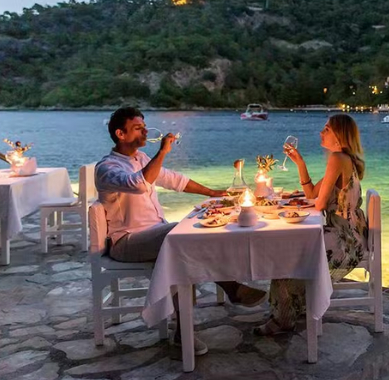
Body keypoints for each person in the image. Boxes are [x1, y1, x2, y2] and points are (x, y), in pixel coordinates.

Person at [95, 106, 266, 354]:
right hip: (126, 242)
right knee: (181, 235)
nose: (145, 132)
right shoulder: (107, 168)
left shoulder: (141, 159)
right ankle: (231, 288)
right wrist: (163, 151)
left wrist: (213, 193)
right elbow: (139, 184)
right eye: (138, 128)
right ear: (120, 134)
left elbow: (174, 179)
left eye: (144, 127)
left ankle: (182, 333)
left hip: (155, 234)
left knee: (186, 243)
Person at [255, 113, 368, 335]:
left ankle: (283, 318)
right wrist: (300, 162)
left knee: (287, 255)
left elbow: (319, 204)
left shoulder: (338, 159)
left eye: (326, 129)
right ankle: (288, 310)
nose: (321, 132)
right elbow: (311, 194)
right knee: (290, 249)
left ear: (339, 135)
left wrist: (291, 210)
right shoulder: (343, 159)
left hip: (344, 244)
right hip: (351, 238)